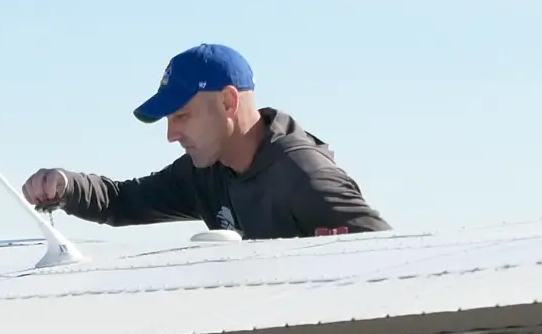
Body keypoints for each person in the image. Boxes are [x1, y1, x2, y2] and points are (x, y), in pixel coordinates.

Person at [21, 44, 389, 240]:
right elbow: (122, 201)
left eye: (181, 116)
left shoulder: (305, 178)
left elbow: (387, 265)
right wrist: (66, 186)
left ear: (228, 102)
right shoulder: (208, 171)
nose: (171, 135)